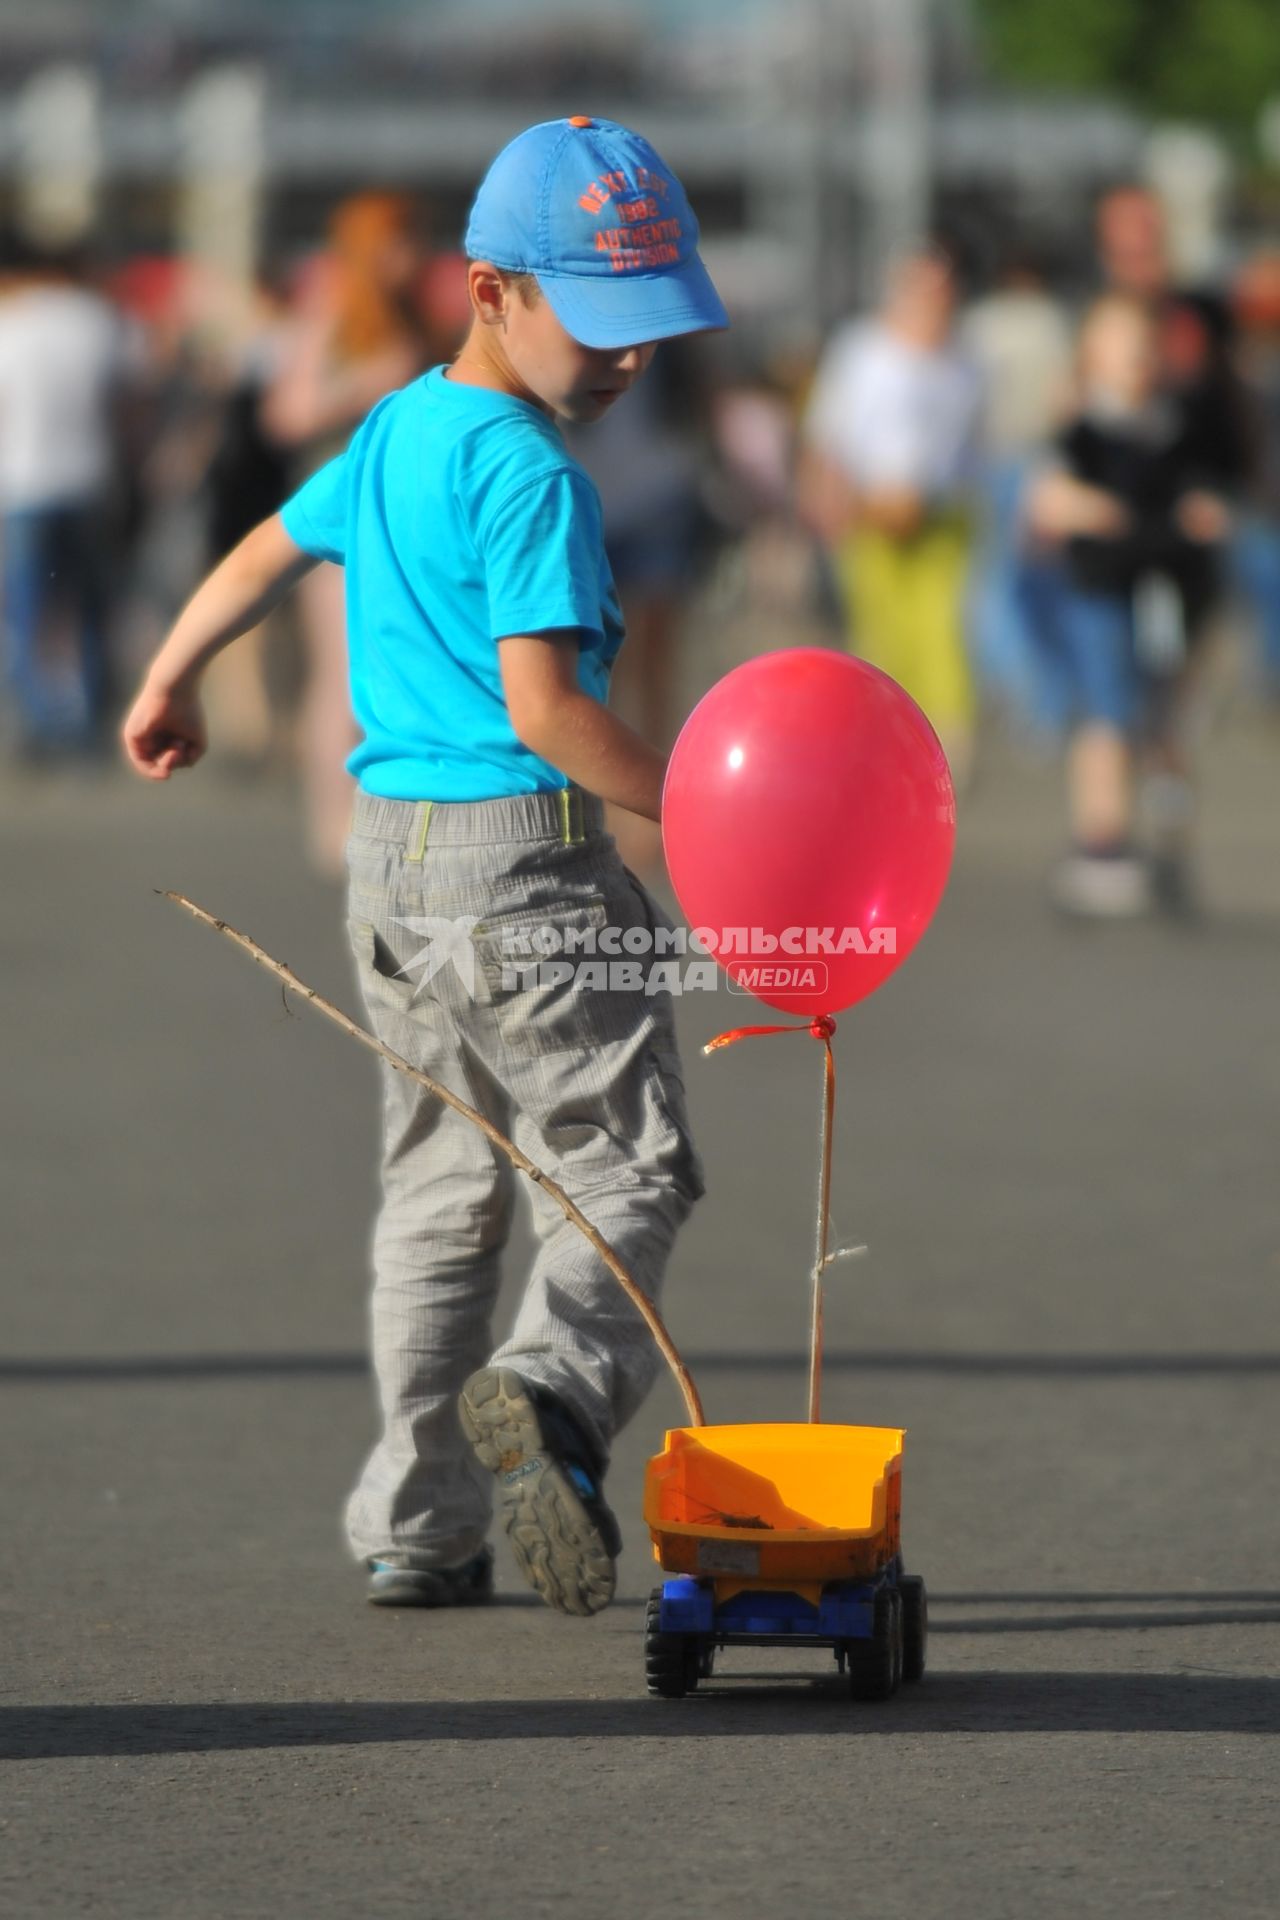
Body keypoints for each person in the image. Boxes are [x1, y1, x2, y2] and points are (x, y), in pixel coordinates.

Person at [120, 117, 724, 1617]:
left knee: (440, 1191)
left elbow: (268, 545)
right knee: (627, 1160)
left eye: (654, 330)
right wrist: (699, 811)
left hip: (390, 873)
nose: (631, 361)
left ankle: (420, 1516)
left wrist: (173, 671)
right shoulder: (534, 478)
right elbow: (548, 710)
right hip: (527, 864)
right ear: (490, 287)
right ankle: (554, 1390)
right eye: (604, 324)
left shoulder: (394, 428)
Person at [1026, 293, 1230, 916]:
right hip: (1103, 590)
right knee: (1107, 715)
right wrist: (1079, 506)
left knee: (1164, 717)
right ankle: (1102, 843)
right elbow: (1048, 498)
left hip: (1167, 593)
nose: (1135, 357)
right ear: (1092, 356)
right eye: (1119, 344)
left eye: (1144, 344)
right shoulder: (1083, 433)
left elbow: (1209, 494)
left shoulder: (1180, 428)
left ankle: (1169, 835)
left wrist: (1205, 515)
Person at [263, 194, 432, 878]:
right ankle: (332, 825)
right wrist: (372, 381)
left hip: (401, 521)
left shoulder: (415, 314)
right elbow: (287, 414)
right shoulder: (332, 313)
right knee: (339, 674)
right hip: (337, 522)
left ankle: (369, 814)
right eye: (395, 244)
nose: (409, 257)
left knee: (386, 671)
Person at [798, 243, 984, 784]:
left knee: (942, 637)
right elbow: (828, 434)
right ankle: (880, 752)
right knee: (881, 640)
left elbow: (969, 448)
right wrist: (826, 496)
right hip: (869, 513)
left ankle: (943, 762)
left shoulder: (964, 361)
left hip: (939, 516)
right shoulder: (863, 350)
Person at [0, 237, 136, 763]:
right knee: (91, 606)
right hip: (91, 479)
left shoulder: (12, 322)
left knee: (28, 608)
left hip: (22, 483)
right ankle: (91, 721)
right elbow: (128, 406)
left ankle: (39, 720)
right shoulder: (100, 320)